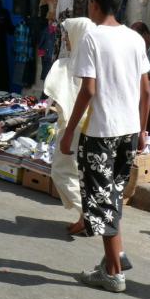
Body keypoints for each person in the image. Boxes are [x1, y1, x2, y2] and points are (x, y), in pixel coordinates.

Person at [59, 0, 150, 293]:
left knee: (102, 201)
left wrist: (70, 131)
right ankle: (116, 255)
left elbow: (88, 90)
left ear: (95, 5)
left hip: (101, 132)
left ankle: (112, 273)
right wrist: (142, 129)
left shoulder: (92, 37)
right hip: (127, 129)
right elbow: (146, 91)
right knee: (113, 195)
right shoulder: (135, 38)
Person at [43, 17, 95, 236]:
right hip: (92, 126)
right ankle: (86, 216)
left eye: (67, 35)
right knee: (80, 173)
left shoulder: (76, 64)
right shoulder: (90, 60)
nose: (65, 40)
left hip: (77, 126)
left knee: (61, 170)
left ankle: (89, 214)